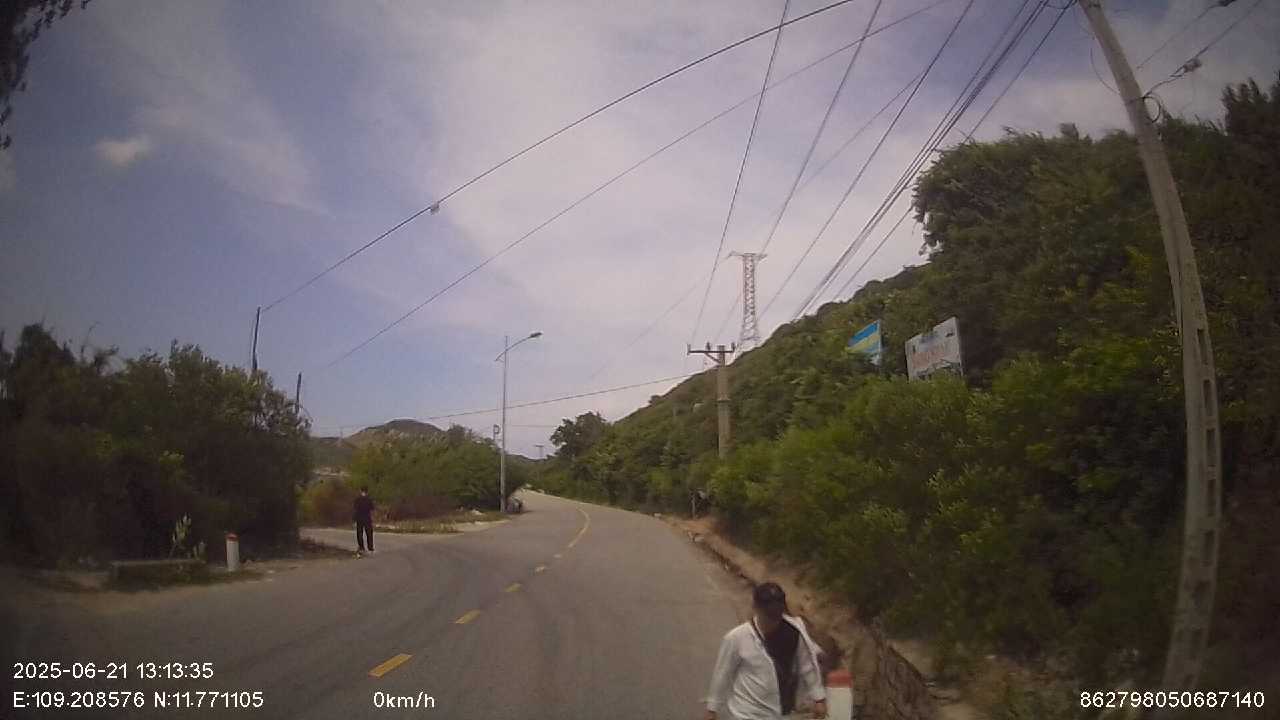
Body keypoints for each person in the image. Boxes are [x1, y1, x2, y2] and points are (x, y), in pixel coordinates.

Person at [705, 583, 827, 720]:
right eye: (769, 614)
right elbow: (723, 673)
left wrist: (819, 699)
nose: (773, 620)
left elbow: (807, 666)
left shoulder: (794, 633)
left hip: (780, 713)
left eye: (777, 613)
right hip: (746, 713)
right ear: (756, 608)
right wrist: (712, 709)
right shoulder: (737, 638)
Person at [353, 487, 375, 555]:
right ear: (367, 491)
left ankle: (361, 547)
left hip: (359, 518)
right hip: (367, 518)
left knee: (359, 533)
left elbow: (355, 510)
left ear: (360, 491)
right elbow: (372, 509)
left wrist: (354, 520)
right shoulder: (369, 499)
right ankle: (370, 548)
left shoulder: (357, 499)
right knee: (369, 533)